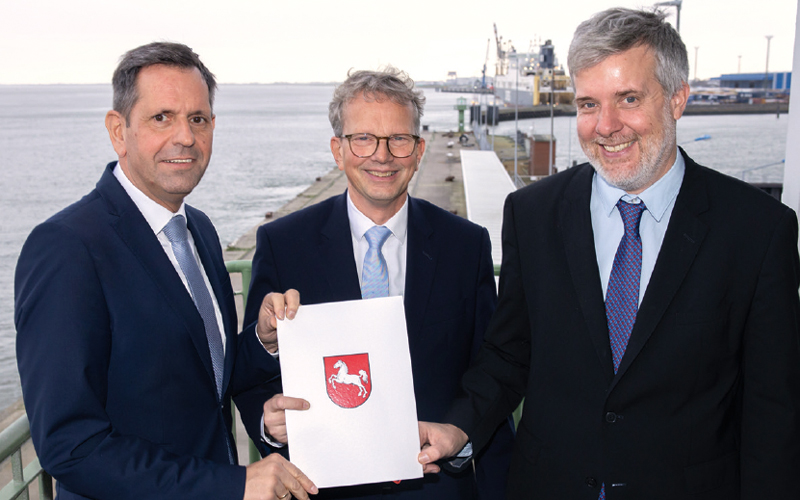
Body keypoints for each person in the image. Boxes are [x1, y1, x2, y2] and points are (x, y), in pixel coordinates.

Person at [418, 8, 800, 499]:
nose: (606, 126)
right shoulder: (532, 214)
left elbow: (775, 411)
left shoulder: (756, 229)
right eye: (588, 104)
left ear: (677, 98)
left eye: (629, 99)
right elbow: (510, 352)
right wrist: (460, 427)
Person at [15, 42, 317, 500]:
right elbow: (70, 446)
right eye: (162, 118)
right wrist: (231, 484)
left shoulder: (199, 228)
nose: (185, 137)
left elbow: (201, 377)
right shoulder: (67, 247)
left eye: (198, 119)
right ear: (119, 130)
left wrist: (261, 340)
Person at [238, 67, 514, 499]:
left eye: (398, 140)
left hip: (437, 489)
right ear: (338, 149)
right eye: (363, 138)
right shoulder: (284, 243)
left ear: (419, 150)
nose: (381, 156)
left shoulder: (466, 246)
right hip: (320, 489)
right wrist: (268, 426)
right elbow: (254, 372)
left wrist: (460, 433)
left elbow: (492, 366)